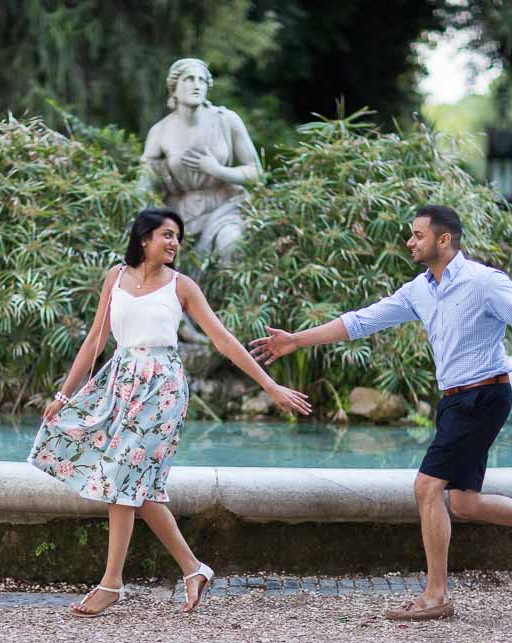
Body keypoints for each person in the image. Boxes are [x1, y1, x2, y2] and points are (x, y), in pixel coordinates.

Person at [249, 204, 512, 622]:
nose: (410, 242)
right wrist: (296, 341)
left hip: (483, 396)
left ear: (443, 240)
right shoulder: (421, 289)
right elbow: (361, 322)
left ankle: (436, 595)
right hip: (454, 401)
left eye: (417, 235)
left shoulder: (485, 283)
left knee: (426, 487)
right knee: (464, 503)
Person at [27, 207, 311, 617]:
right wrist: (65, 393)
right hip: (120, 381)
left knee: (122, 475)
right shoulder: (115, 277)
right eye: (166, 234)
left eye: (177, 236)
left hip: (162, 388)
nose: (174, 243)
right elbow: (94, 341)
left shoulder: (182, 286)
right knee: (134, 487)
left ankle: (111, 584)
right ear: (143, 239)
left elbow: (224, 341)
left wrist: (270, 386)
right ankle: (193, 569)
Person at [140, 58, 262, 263]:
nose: (196, 85)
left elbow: (257, 173)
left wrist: (217, 170)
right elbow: (144, 183)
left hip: (225, 207)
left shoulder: (227, 120)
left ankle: (228, 293)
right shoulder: (160, 132)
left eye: (202, 80)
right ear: (174, 89)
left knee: (231, 244)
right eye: (189, 79)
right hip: (180, 215)